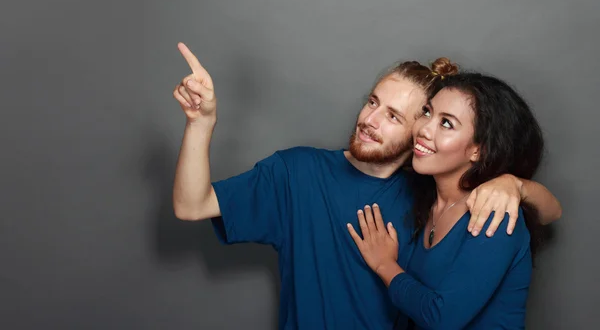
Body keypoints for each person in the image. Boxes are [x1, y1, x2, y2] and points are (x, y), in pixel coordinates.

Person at [171, 42, 562, 329]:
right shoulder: (297, 172)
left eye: (393, 115)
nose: (370, 119)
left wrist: (515, 185)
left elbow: (546, 213)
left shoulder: (428, 196)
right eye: (372, 102)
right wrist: (200, 123)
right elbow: (192, 205)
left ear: (415, 135)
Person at [348, 71, 553, 329]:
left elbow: (441, 318)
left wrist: (384, 264)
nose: (424, 129)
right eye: (427, 112)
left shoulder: (495, 216)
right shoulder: (424, 197)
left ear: (479, 150)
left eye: (446, 124)